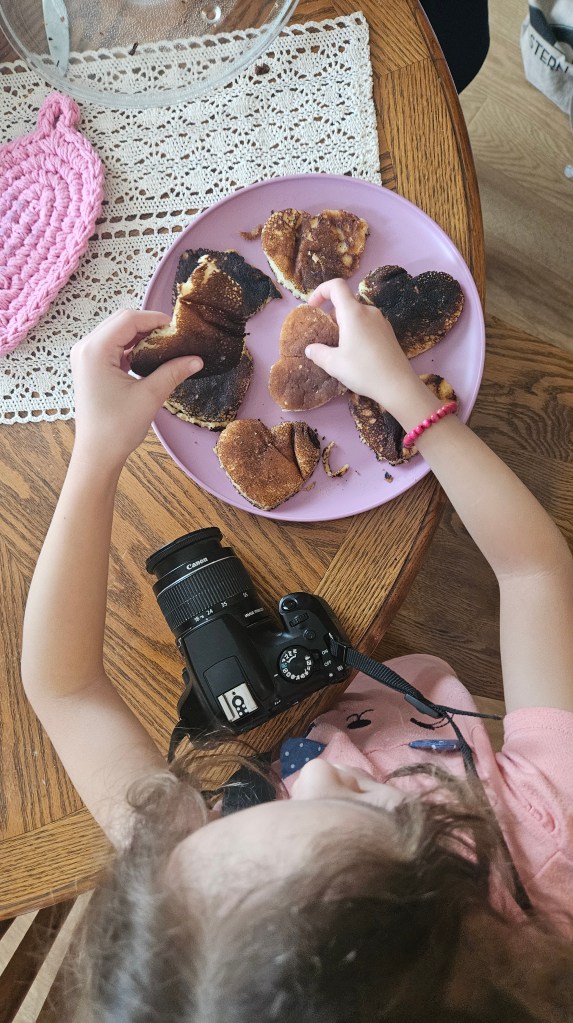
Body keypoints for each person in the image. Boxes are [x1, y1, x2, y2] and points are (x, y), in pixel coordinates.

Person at [21, 285, 573, 1022]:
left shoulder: (201, 909)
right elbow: (534, 573)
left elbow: (65, 690)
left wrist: (96, 453)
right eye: (360, 800)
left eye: (242, 809)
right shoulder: (544, 849)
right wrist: (407, 400)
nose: (309, 771)